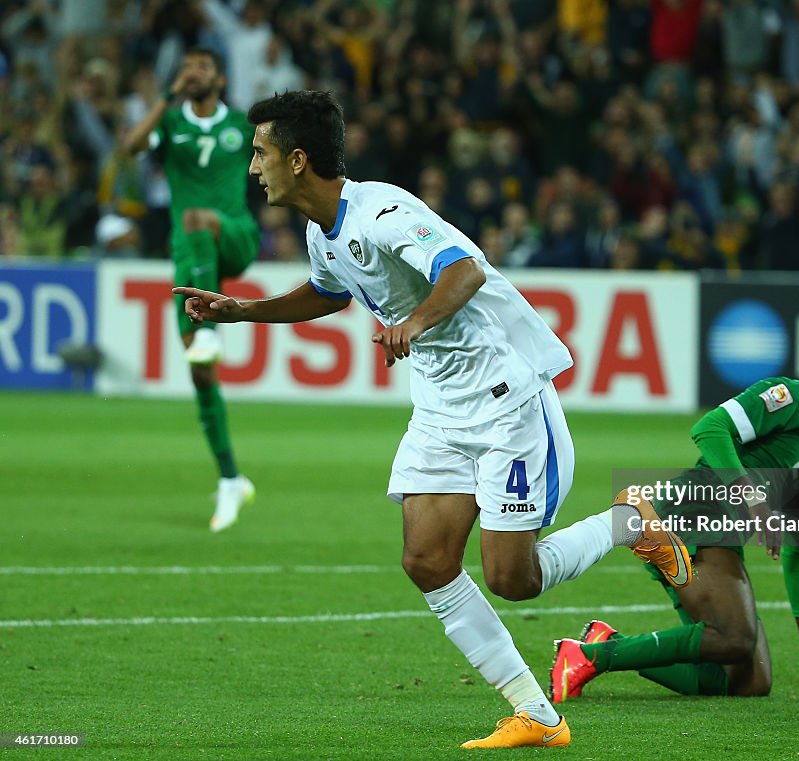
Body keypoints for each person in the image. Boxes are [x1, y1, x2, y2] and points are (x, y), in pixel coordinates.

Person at [172, 89, 690, 749]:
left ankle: (630, 521)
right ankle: (536, 712)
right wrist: (245, 311)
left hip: (505, 394)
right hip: (442, 404)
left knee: (513, 578)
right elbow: (330, 290)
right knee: (426, 558)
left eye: (260, 153)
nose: (253, 167)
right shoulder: (320, 231)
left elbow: (464, 270)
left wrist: (412, 323)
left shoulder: (384, 211)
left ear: (298, 159)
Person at [550, 329, 799, 701]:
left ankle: (608, 643)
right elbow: (710, 428)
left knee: (750, 681)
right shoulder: (793, 397)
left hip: (715, 532)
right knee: (735, 637)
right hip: (690, 514)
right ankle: (586, 657)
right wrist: (754, 499)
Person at [123, 48, 259, 532]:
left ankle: (208, 331)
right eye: (185, 67)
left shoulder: (243, 125)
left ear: (219, 77)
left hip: (235, 234)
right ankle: (230, 478)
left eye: (200, 66)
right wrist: (164, 98)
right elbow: (130, 147)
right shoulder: (172, 124)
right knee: (202, 373)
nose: (191, 73)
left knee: (197, 217)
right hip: (190, 259)